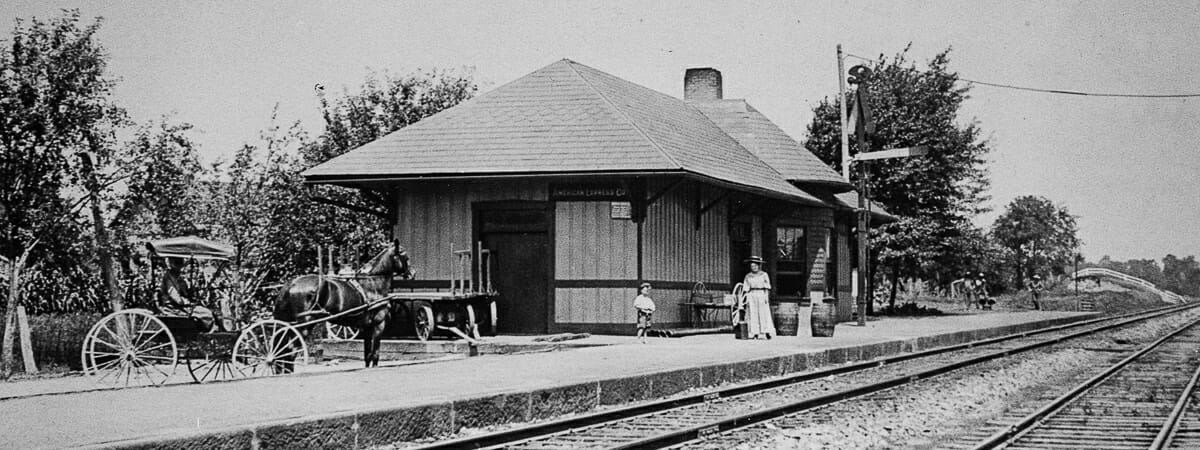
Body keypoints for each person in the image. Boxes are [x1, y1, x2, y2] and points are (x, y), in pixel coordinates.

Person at [159, 257, 216, 332]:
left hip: (181, 305)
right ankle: (209, 334)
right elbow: (176, 297)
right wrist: (187, 302)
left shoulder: (177, 276)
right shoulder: (170, 277)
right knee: (207, 313)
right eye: (177, 263)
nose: (180, 266)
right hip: (174, 307)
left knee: (208, 310)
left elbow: (184, 291)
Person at [742, 256, 775, 339]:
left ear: (759, 266)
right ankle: (754, 332)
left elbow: (767, 287)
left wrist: (766, 297)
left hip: (761, 294)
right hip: (752, 294)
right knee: (753, 313)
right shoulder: (748, 276)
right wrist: (747, 298)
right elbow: (746, 288)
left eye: (755, 266)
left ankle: (766, 331)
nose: (754, 268)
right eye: (752, 266)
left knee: (763, 313)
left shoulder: (764, 275)